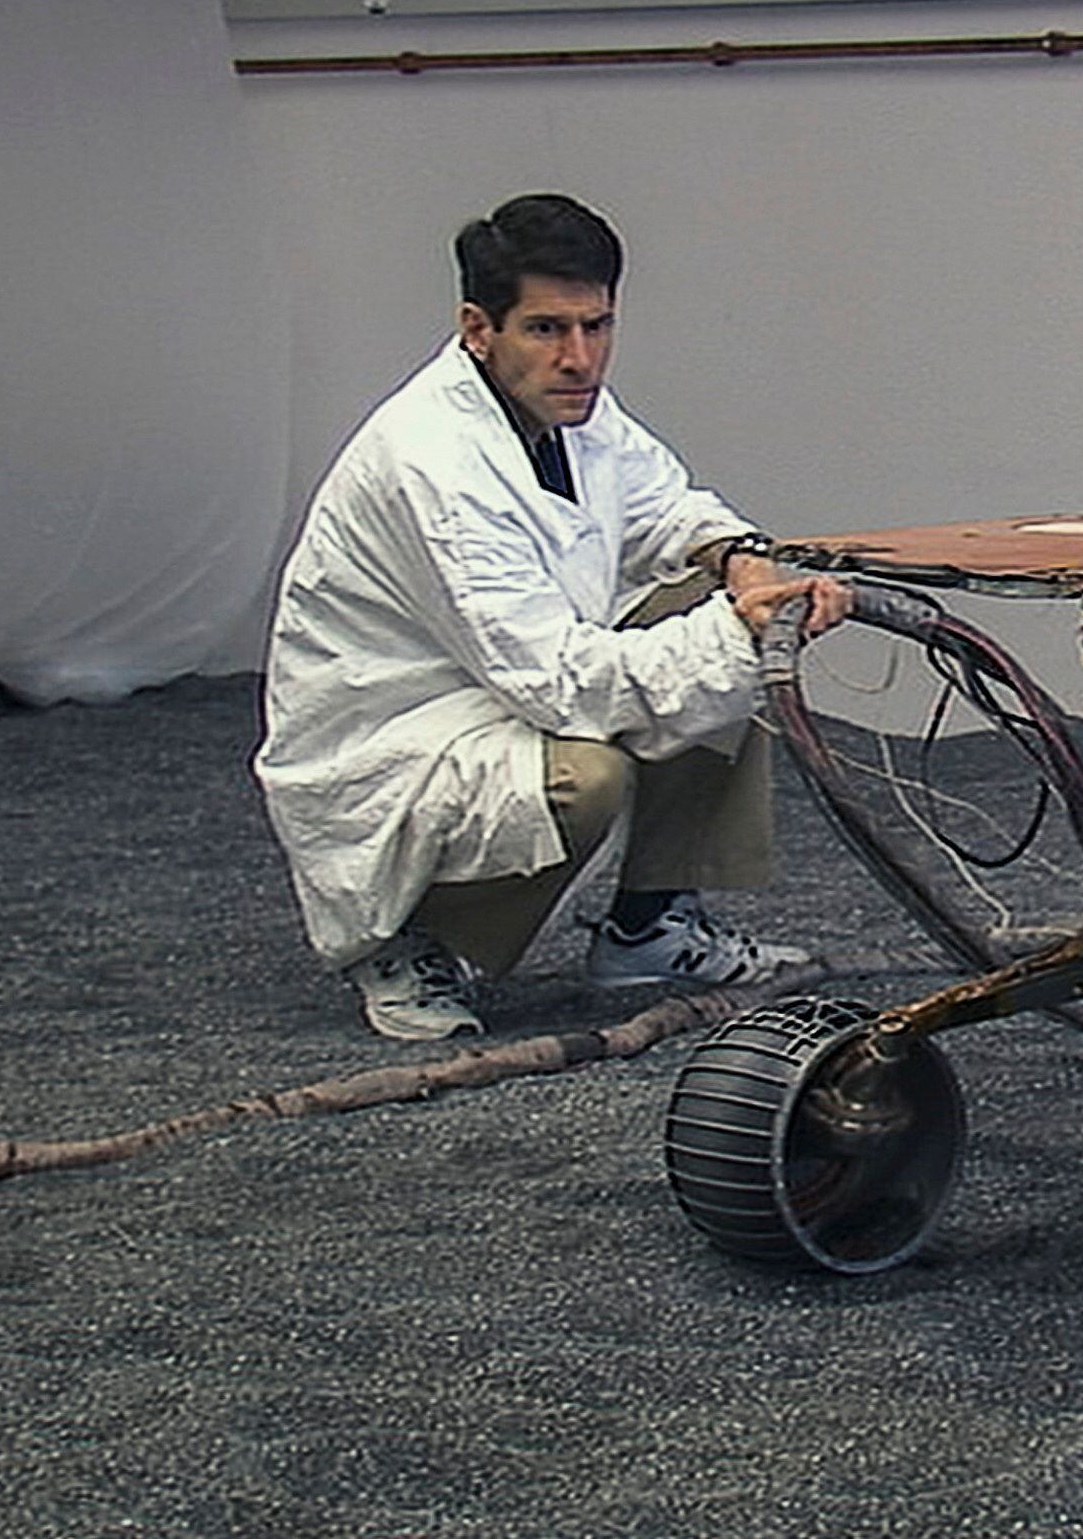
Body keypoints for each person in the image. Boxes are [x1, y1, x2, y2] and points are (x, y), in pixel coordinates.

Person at [255, 193, 849, 1039]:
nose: (580, 357)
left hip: (502, 673)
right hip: (396, 726)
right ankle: (412, 945)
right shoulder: (433, 461)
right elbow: (558, 685)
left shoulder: (570, 403)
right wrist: (743, 626)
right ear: (477, 327)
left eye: (597, 325)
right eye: (546, 328)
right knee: (589, 773)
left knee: (727, 618)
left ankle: (648, 928)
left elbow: (665, 505)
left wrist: (743, 562)